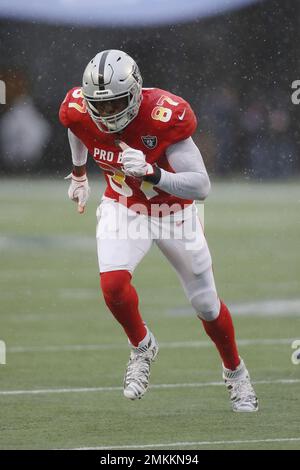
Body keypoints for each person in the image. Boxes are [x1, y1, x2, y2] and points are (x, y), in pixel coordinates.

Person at [59, 49, 258, 412]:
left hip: (174, 212)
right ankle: (142, 346)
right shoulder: (77, 108)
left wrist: (153, 172)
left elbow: (201, 186)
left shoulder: (164, 115)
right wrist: (77, 173)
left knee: (206, 305)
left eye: (113, 104)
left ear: (134, 93)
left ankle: (236, 372)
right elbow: (77, 126)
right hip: (124, 207)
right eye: (97, 106)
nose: (104, 114)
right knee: (113, 284)